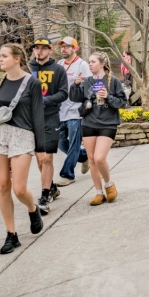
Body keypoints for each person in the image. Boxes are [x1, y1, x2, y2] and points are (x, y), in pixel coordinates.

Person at [0, 43, 46, 254]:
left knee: (19, 188)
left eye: (3, 56)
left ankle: (32, 208)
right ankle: (11, 234)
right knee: (3, 185)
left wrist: (41, 148)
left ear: (16, 58)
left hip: (23, 136)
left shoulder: (32, 83)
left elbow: (38, 116)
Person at [68, 52, 127, 206]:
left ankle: (108, 184)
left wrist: (108, 96)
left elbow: (122, 102)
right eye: (89, 61)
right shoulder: (86, 81)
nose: (90, 64)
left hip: (108, 124)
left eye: (93, 61)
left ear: (102, 64)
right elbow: (75, 98)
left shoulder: (113, 81)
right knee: (92, 160)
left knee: (100, 158)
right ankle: (98, 192)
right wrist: (75, 85)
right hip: (88, 123)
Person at [29, 38, 68, 214]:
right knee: (39, 159)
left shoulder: (58, 70)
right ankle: (51, 186)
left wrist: (45, 100)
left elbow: (64, 93)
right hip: (30, 119)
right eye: (37, 48)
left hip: (50, 117)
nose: (40, 51)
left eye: (44, 49)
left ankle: (44, 196)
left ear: (50, 50)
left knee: (47, 158)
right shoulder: (27, 69)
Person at [54, 37, 91, 187]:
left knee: (74, 144)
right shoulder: (59, 64)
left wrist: (81, 83)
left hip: (76, 111)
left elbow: (92, 85)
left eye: (68, 47)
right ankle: (84, 156)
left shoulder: (82, 65)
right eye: (62, 47)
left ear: (75, 49)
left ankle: (67, 174)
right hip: (61, 110)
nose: (64, 49)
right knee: (60, 142)